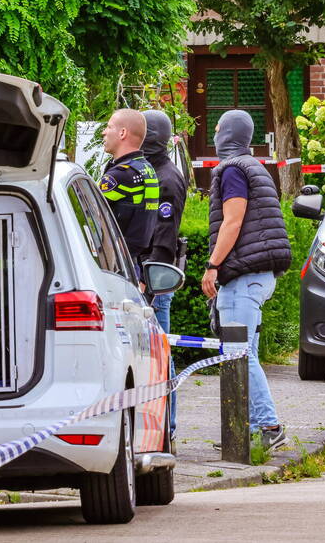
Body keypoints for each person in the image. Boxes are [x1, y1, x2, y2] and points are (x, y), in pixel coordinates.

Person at [201, 110, 292, 450]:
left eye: (218, 126)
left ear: (225, 132)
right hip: (259, 276)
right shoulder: (255, 167)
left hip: (242, 277)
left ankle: (268, 426)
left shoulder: (232, 170)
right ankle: (248, 431)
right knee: (244, 352)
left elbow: (233, 221)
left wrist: (212, 265)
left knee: (239, 354)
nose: (214, 131)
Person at [139, 109, 187, 439]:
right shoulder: (149, 172)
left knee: (159, 357)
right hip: (146, 277)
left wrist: (151, 283)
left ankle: (166, 428)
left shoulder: (166, 179)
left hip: (153, 282)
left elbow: (165, 237)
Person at [99, 108, 160, 267]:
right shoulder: (146, 168)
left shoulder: (120, 175)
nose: (103, 132)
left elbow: (87, 212)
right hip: (132, 261)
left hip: (115, 262)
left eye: (109, 127)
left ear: (122, 133)